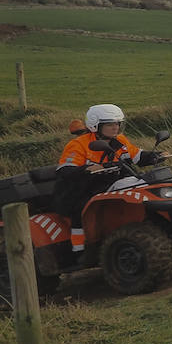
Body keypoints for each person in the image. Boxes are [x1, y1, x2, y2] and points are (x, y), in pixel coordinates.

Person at [54, 104, 154, 252]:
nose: (115, 127)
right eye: (110, 124)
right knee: (80, 209)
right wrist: (87, 169)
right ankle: (80, 248)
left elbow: (136, 155)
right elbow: (65, 170)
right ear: (95, 126)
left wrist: (154, 156)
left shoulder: (119, 140)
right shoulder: (78, 144)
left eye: (117, 123)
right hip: (82, 188)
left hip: (109, 183)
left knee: (143, 184)